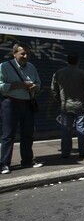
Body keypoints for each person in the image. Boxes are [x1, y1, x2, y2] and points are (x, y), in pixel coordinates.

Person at [0, 44, 43, 174]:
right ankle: (4, 164)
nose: (25, 56)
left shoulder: (31, 67)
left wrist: (35, 87)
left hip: (27, 103)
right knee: (8, 135)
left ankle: (27, 160)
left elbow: (39, 83)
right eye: (22, 54)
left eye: (27, 54)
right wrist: (19, 85)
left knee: (28, 134)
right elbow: (1, 86)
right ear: (14, 54)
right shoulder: (4, 67)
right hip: (11, 103)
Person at [51, 52, 84, 159]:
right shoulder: (82, 73)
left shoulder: (59, 73)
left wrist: (58, 100)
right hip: (81, 105)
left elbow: (53, 89)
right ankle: (82, 151)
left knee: (66, 130)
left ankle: (65, 152)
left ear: (67, 60)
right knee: (81, 129)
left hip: (65, 106)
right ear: (78, 61)